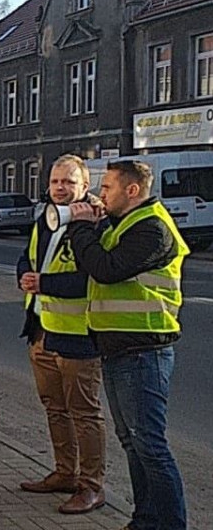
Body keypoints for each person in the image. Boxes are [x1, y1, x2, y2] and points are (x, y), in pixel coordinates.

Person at [68, 160, 190, 530]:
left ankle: (170, 523)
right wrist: (93, 225)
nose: (101, 195)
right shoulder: (123, 225)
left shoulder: (152, 229)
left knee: (150, 445)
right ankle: (145, 519)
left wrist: (80, 227)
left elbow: (105, 268)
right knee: (132, 441)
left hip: (144, 350)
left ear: (132, 190)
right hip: (120, 348)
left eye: (107, 188)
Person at [16, 155, 106, 514]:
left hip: (79, 336)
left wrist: (44, 283)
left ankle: (91, 486)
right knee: (54, 408)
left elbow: (93, 277)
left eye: (68, 182)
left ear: (85, 186)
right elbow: (29, 257)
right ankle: (65, 473)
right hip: (42, 331)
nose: (60, 188)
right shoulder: (47, 218)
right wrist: (24, 274)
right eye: (55, 182)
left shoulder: (95, 223)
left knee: (84, 413)